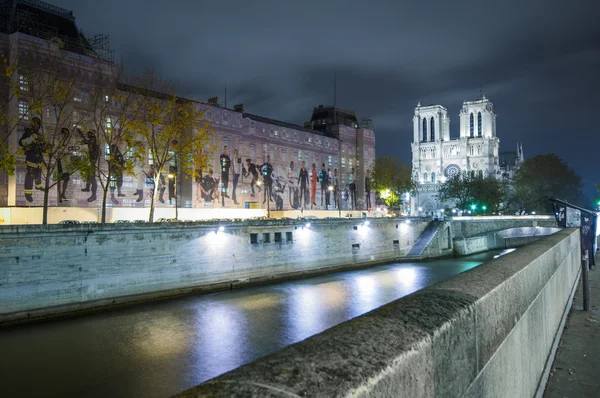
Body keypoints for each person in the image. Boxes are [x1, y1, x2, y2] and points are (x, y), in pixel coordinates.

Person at [19, 117, 45, 203]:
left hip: (39, 158)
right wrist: (30, 139)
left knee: (38, 173)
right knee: (30, 176)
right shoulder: (28, 132)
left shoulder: (40, 135)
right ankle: (28, 193)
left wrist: (46, 147)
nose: (35, 125)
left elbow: (42, 147)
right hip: (31, 157)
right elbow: (21, 142)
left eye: (37, 124)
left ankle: (38, 186)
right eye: (34, 123)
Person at [78, 129, 99, 202]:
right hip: (90, 161)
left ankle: (94, 195)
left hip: (92, 162)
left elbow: (87, 143)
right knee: (88, 175)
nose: (89, 136)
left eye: (90, 134)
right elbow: (86, 142)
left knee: (92, 178)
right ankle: (87, 187)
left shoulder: (94, 142)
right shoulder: (92, 142)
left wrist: (81, 134)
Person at [54, 127, 71, 203]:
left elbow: (70, 151)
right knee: (59, 179)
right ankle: (59, 195)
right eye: (64, 133)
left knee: (66, 179)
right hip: (59, 162)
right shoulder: (58, 141)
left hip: (66, 162)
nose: (65, 135)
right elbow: (57, 150)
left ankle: (63, 193)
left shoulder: (69, 142)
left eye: (66, 133)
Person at [109, 136, 126, 205]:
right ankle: (112, 196)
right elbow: (113, 158)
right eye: (119, 142)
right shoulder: (113, 148)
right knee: (113, 181)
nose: (120, 144)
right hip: (114, 168)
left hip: (118, 168)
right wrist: (117, 164)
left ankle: (119, 192)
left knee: (119, 179)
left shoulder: (116, 149)